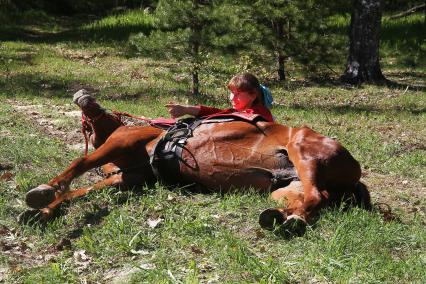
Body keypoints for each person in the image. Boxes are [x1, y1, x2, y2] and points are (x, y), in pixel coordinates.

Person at [166, 73, 274, 122]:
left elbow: (225, 116)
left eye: (238, 94)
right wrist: (186, 109)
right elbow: (217, 113)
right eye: (232, 93)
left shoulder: (259, 115)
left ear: (253, 95)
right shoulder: (245, 112)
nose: (232, 98)